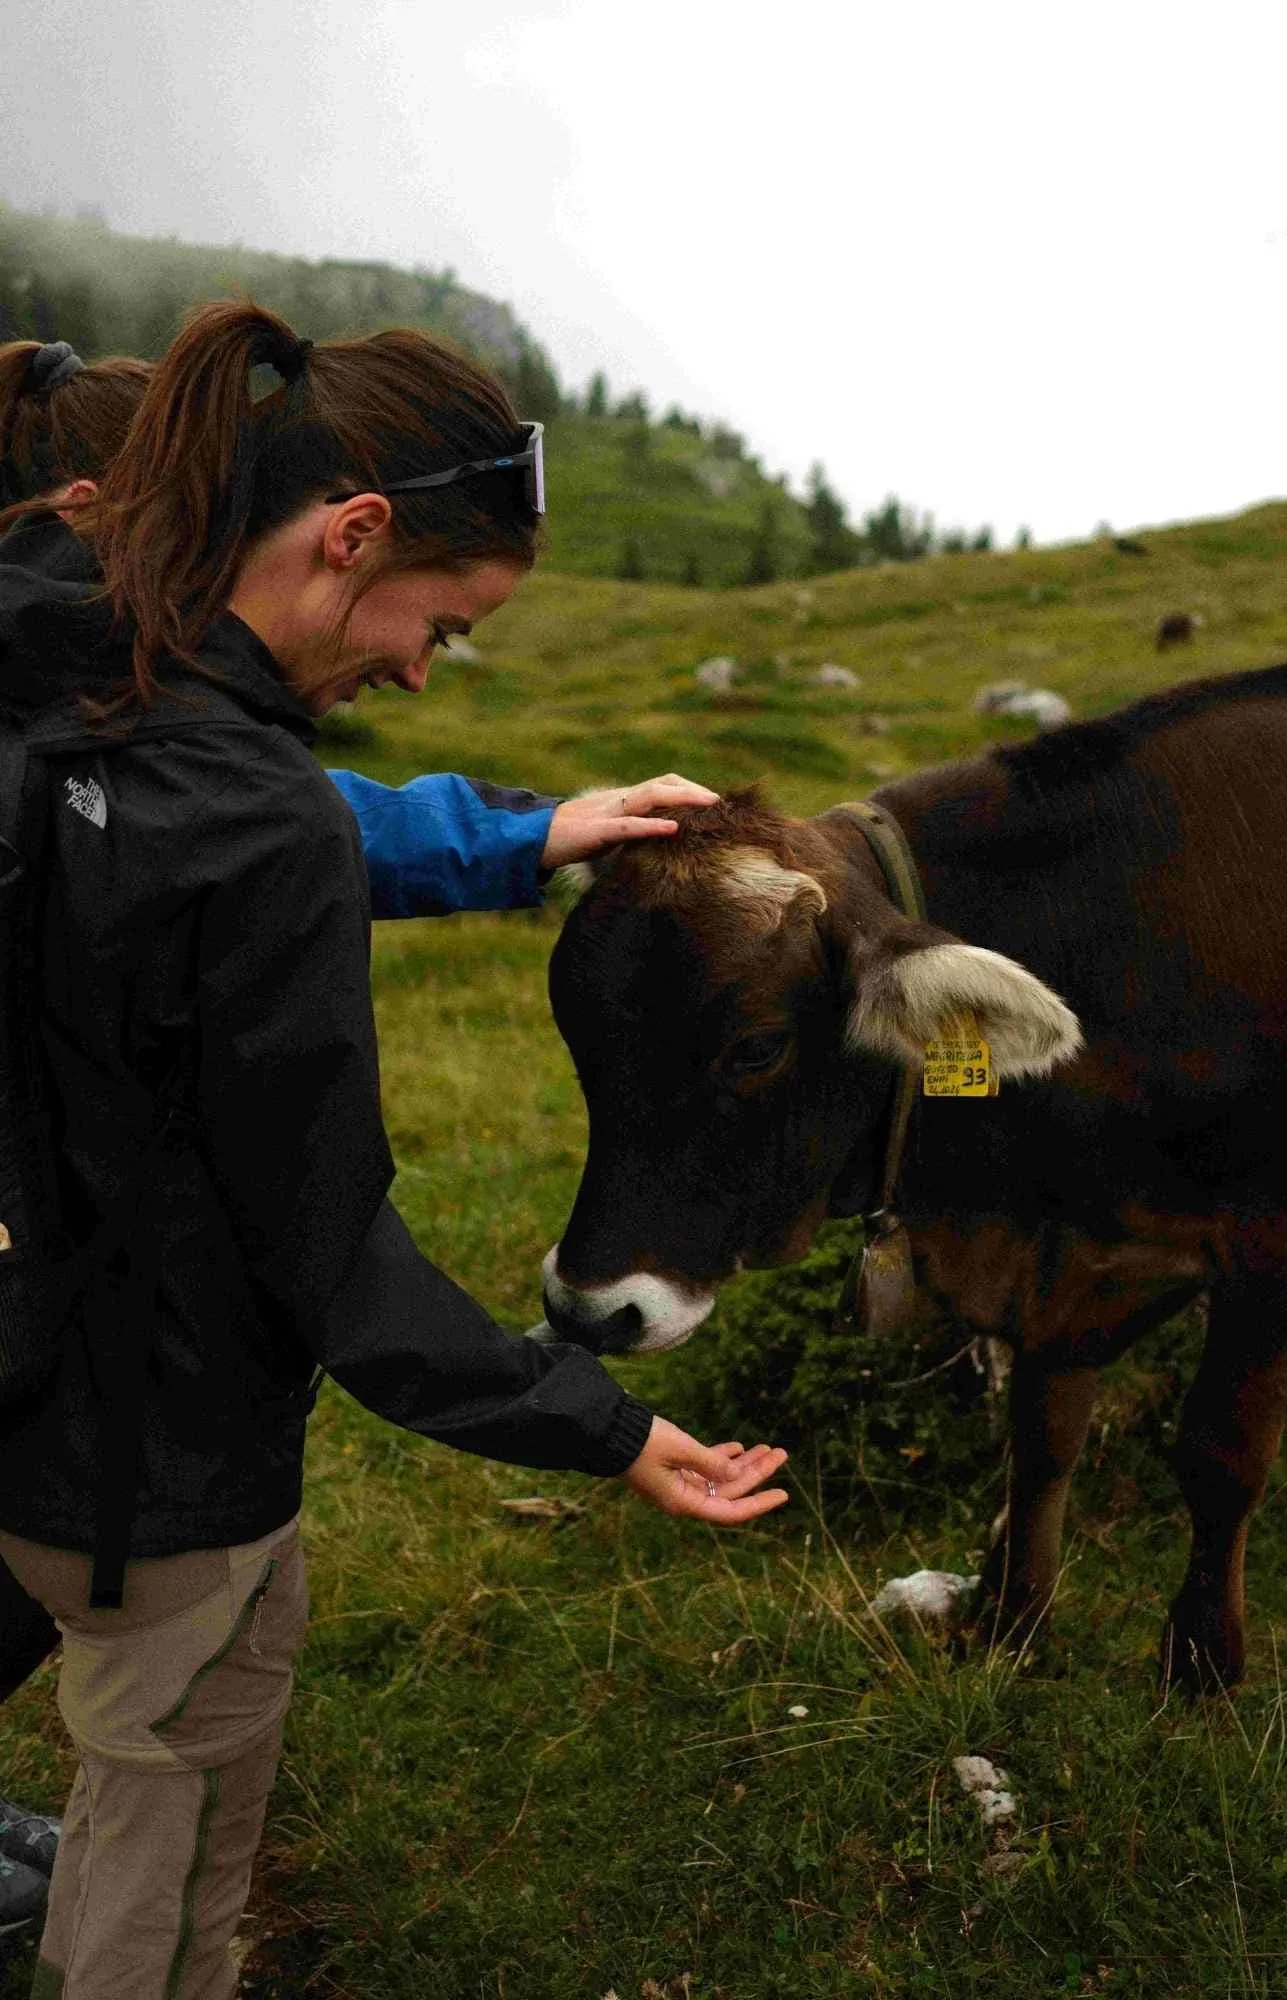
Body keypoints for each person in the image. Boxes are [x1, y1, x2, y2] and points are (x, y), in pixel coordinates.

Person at [0, 303, 788, 1997]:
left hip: (17, 1377)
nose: (427, 667)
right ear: (352, 533)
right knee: (170, 1849)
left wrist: (510, 834)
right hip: (160, 1472)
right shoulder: (253, 816)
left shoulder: (41, 672)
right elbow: (332, 1250)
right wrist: (604, 1426)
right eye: (443, 618)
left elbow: (189, 794)